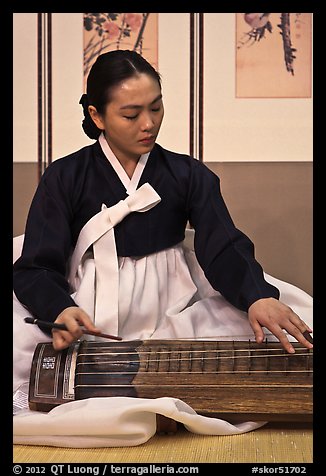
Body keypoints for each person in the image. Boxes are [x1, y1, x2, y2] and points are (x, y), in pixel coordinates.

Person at [13, 49, 313, 356]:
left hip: (174, 301)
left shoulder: (187, 174)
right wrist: (60, 309)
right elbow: (37, 266)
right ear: (96, 115)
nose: (148, 124)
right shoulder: (65, 176)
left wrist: (256, 296)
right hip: (89, 302)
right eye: (131, 114)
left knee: (278, 330)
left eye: (156, 108)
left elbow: (223, 245)